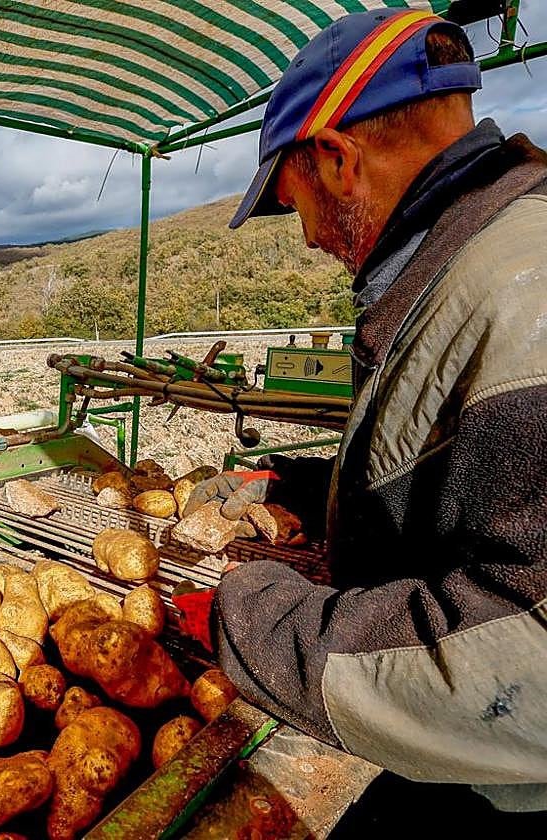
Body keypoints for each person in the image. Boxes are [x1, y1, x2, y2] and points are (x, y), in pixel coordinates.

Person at [174, 8, 547, 818]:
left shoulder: (527, 289)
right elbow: (474, 483)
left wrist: (258, 623)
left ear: (339, 160)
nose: (307, 238)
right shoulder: (472, 263)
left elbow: (529, 658)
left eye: (291, 200)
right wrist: (315, 490)